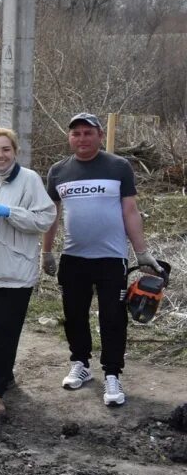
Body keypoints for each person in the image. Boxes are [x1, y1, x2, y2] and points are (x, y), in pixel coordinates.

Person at [42, 112, 162, 407]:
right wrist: (46, 252)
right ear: (70, 138)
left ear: (98, 135)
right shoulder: (58, 171)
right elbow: (51, 216)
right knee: (74, 315)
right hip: (74, 258)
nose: (82, 138)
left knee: (112, 317)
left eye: (87, 133)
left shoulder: (118, 166)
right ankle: (80, 363)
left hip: (111, 259)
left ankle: (112, 373)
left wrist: (141, 251)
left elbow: (130, 211)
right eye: (76, 133)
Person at [0, 128, 56, 415]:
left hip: (16, 272)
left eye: (5, 149)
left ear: (15, 152)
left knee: (5, 331)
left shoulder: (29, 180)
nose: (0, 155)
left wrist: (11, 212)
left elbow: (46, 218)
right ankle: (3, 375)